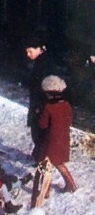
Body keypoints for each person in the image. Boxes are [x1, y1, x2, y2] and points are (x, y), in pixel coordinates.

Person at [36, 75, 77, 193]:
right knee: (59, 163)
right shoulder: (66, 105)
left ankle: (46, 190)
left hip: (50, 142)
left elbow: (42, 125)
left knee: (44, 164)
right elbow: (68, 121)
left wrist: (38, 114)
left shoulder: (48, 107)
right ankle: (71, 184)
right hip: (63, 139)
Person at [23, 36, 60, 164]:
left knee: (40, 132)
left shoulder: (44, 64)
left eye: (30, 51)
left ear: (38, 49)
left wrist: (41, 107)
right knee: (38, 132)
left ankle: (41, 158)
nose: (28, 55)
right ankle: (39, 154)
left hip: (41, 104)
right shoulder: (42, 61)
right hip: (39, 103)